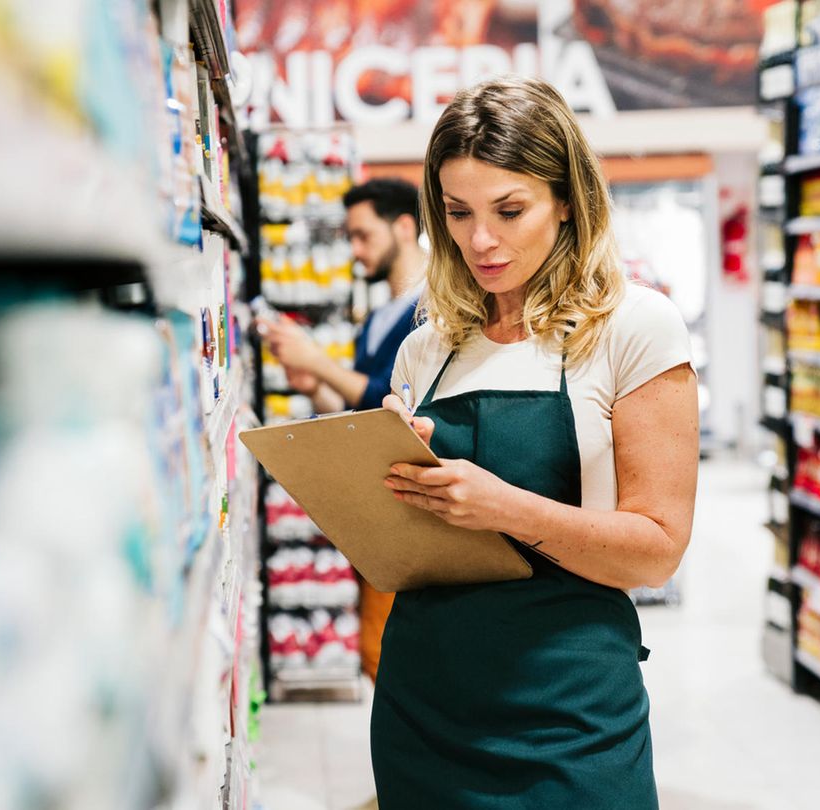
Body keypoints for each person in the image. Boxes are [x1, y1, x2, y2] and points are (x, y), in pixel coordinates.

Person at [371, 76, 698, 808]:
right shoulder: (427, 350)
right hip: (424, 707)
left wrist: (501, 507)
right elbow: (403, 551)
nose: (479, 240)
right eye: (457, 213)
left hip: (570, 712)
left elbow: (657, 548)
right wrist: (386, 487)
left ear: (565, 201)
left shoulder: (634, 329)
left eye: (509, 210)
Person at [261, 177, 426, 684]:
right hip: (375, 515)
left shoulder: (432, 308)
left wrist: (318, 359)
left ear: (403, 227)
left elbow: (385, 399)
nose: (355, 251)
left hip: (411, 518)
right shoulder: (377, 317)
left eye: (363, 235)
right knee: (379, 656)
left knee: (397, 659)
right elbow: (353, 411)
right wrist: (313, 383)